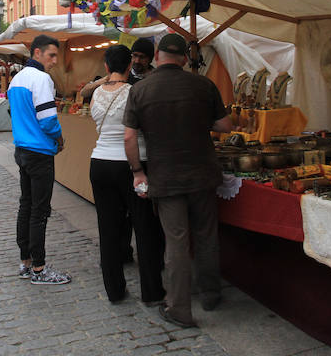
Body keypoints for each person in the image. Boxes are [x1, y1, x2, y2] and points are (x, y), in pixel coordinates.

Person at [124, 33, 232, 328]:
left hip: (166, 176)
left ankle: (180, 309)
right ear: (185, 58)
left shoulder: (141, 89)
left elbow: (129, 136)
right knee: (207, 237)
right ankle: (211, 295)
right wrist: (200, 120)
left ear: (157, 56)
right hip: (203, 173)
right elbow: (224, 125)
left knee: (177, 243)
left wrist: (137, 172)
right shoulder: (204, 84)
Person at [89, 45, 165, 304]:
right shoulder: (136, 92)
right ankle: (152, 291)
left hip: (100, 162)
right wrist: (138, 170)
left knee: (108, 228)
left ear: (107, 67)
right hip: (133, 163)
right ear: (129, 66)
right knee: (145, 228)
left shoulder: (96, 93)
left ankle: (114, 289)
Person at [8, 35, 70, 285]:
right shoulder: (41, 79)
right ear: (37, 53)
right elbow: (47, 119)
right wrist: (59, 137)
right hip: (39, 151)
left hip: (22, 149)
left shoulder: (16, 79)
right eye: (51, 55)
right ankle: (39, 268)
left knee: (26, 205)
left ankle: (26, 262)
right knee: (39, 211)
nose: (54, 61)